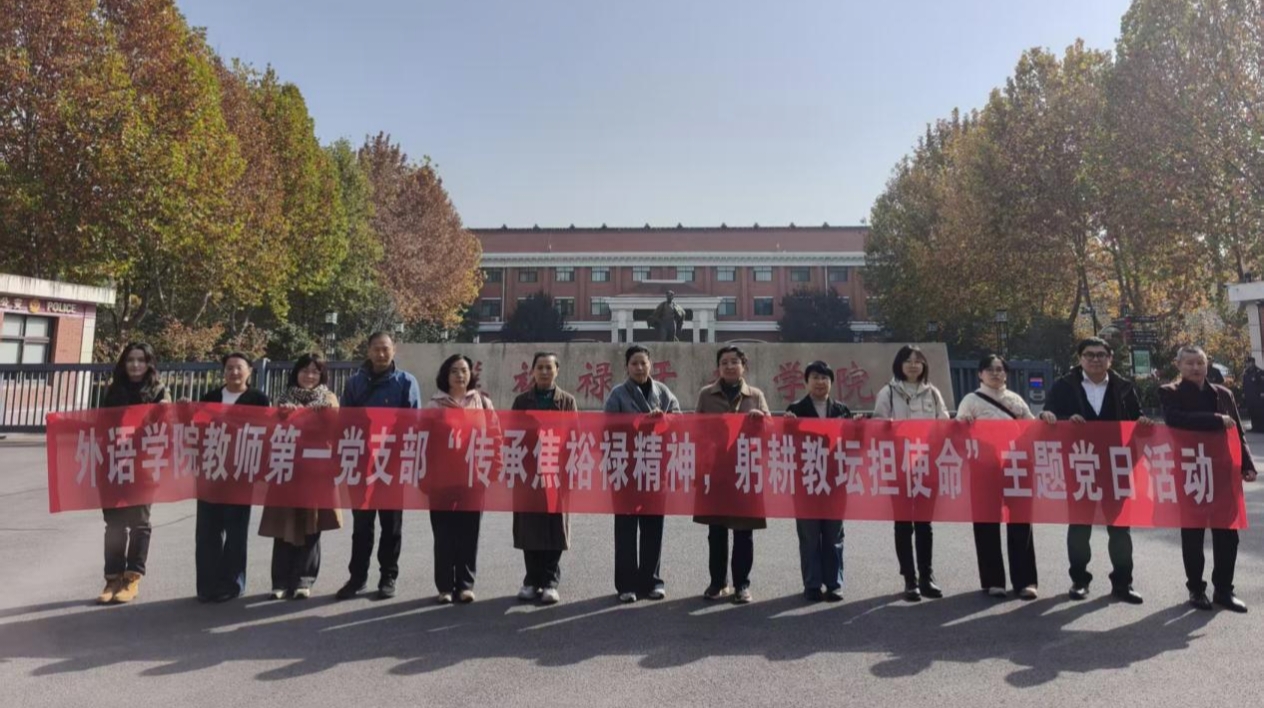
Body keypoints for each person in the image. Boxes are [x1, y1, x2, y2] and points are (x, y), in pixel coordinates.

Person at [1040, 337, 1149, 604]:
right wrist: (1064, 420)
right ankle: (1079, 581)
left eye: (1101, 355)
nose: (1095, 359)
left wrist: (1144, 423)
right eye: (1089, 355)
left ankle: (1123, 583)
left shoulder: (1124, 387)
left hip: (1116, 465)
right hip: (1080, 464)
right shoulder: (1064, 386)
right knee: (1080, 526)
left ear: (1110, 359)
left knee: (1120, 528)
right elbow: (1048, 416)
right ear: (1080, 359)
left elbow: (1136, 418)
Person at [1160, 345, 1257, 613]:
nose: (1195, 368)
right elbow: (1176, 419)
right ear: (1178, 365)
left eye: (1200, 362)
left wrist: (1247, 464)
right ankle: (1196, 588)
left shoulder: (1223, 394)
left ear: (1207, 364)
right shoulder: (1170, 392)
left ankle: (1224, 590)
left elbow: (1237, 433)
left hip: (1223, 474)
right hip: (1190, 473)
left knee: (1228, 535)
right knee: (1193, 534)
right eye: (1189, 363)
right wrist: (1216, 419)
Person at [336, 332, 422, 601]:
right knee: (362, 526)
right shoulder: (355, 383)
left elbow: (413, 423)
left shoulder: (406, 382)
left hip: (391, 465)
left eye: (385, 348)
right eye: (376, 349)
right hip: (362, 464)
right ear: (368, 351)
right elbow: (345, 421)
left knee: (391, 526)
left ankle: (388, 576)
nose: (381, 354)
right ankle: (357, 578)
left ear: (394, 350)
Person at [258, 353, 343, 600]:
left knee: (311, 525)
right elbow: (270, 431)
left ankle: (304, 580)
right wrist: (282, 415)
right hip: (286, 470)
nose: (309, 376)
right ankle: (280, 581)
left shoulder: (329, 399)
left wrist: (325, 414)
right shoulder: (283, 399)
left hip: (315, 471)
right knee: (283, 524)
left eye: (315, 371)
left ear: (322, 375)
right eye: (305, 371)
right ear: (296, 373)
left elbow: (336, 431)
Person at [693, 345, 770, 604]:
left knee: (744, 532)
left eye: (734, 362)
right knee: (716, 531)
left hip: (745, 472)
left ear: (743, 366)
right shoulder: (706, 395)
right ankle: (718, 583)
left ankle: (742, 585)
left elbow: (771, 430)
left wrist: (761, 420)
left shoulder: (755, 395)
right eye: (724, 362)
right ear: (718, 367)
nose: (729, 366)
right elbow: (696, 430)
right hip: (716, 472)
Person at [604, 344, 682, 603]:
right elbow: (607, 428)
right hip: (626, 469)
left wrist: (664, 420)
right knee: (625, 528)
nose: (639, 367)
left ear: (651, 365)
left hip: (654, 467)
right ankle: (626, 584)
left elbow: (679, 420)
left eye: (643, 363)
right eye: (634, 363)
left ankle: (652, 580)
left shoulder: (663, 392)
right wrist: (639, 423)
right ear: (627, 367)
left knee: (653, 527)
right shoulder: (617, 394)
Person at [957, 354, 1038, 600]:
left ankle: (1025, 581)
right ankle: (993, 581)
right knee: (986, 523)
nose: (995, 373)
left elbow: (1031, 428)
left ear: (1006, 374)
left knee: (1021, 522)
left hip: (1015, 465)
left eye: (1000, 369)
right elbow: (958, 432)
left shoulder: (1015, 399)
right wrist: (963, 423)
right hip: (984, 467)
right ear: (980, 374)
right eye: (990, 369)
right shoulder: (970, 400)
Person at [873, 344, 949, 602]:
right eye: (908, 360)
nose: (913, 365)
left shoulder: (933, 392)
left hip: (927, 464)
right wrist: (888, 428)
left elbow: (944, 423)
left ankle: (927, 576)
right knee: (903, 523)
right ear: (899, 365)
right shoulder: (888, 392)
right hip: (899, 466)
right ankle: (909, 578)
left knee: (925, 524)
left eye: (918, 361)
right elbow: (877, 423)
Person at [96, 343, 170, 605]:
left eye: (141, 360)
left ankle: (132, 578)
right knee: (114, 524)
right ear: (123, 363)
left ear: (149, 364)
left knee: (139, 523)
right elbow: (100, 424)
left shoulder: (159, 391)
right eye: (130, 360)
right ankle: (112, 578)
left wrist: (166, 410)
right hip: (114, 463)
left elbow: (167, 427)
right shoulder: (113, 390)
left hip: (143, 466)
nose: (135, 365)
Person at [197, 352, 270, 602]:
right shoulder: (210, 397)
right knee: (207, 531)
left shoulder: (258, 399)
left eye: (239, 367)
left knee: (236, 532)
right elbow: (197, 429)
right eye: (229, 367)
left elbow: (265, 433)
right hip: (210, 472)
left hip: (240, 473)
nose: (234, 372)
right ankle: (207, 585)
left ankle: (232, 584)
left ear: (249, 371)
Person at [511, 352, 577, 605]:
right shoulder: (522, 401)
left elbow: (575, 437)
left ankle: (550, 581)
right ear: (533, 371)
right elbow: (512, 436)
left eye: (549, 367)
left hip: (556, 473)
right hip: (528, 472)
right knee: (530, 526)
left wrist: (571, 470)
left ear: (557, 370)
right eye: (540, 367)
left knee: (554, 527)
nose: (545, 372)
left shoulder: (567, 401)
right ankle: (531, 580)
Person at [429, 353, 495, 604]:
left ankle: (466, 585)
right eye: (454, 371)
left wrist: (493, 469)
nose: (460, 375)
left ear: (471, 374)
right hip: (440, 481)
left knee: (469, 533)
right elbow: (423, 443)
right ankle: (445, 586)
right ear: (445, 375)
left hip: (473, 478)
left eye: (464, 370)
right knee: (443, 534)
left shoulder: (482, 403)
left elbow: (495, 436)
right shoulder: (434, 405)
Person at [783, 360, 851, 603]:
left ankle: (834, 584)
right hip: (807, 481)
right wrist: (787, 426)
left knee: (834, 535)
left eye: (824, 378)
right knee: (810, 536)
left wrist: (860, 427)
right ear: (806, 382)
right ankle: (812, 584)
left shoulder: (842, 410)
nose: (820, 382)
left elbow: (853, 444)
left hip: (835, 481)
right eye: (815, 377)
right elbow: (786, 445)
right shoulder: (796, 409)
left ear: (831, 382)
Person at [1242, 356, 1264, 432]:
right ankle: (1254, 427)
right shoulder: (1246, 372)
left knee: (1259, 412)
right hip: (1249, 396)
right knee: (1251, 412)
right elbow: (1244, 384)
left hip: (1257, 397)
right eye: (1247, 363)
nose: (1247, 364)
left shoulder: (1259, 372)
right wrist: (1243, 393)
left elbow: (1262, 384)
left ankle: (1261, 428)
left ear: (1253, 363)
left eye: (1249, 363)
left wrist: (1262, 393)